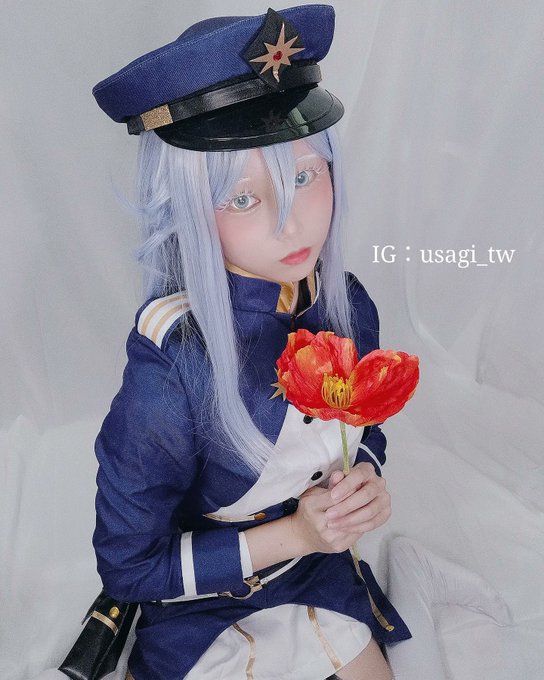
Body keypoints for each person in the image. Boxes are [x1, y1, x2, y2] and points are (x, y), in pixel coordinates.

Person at [90, 5, 413, 679]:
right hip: (203, 602)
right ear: (185, 209)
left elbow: (363, 430)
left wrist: (363, 482)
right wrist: (296, 532)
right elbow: (130, 566)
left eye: (305, 176)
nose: (290, 223)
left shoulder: (346, 305)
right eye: (241, 198)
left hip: (317, 572)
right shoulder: (173, 366)